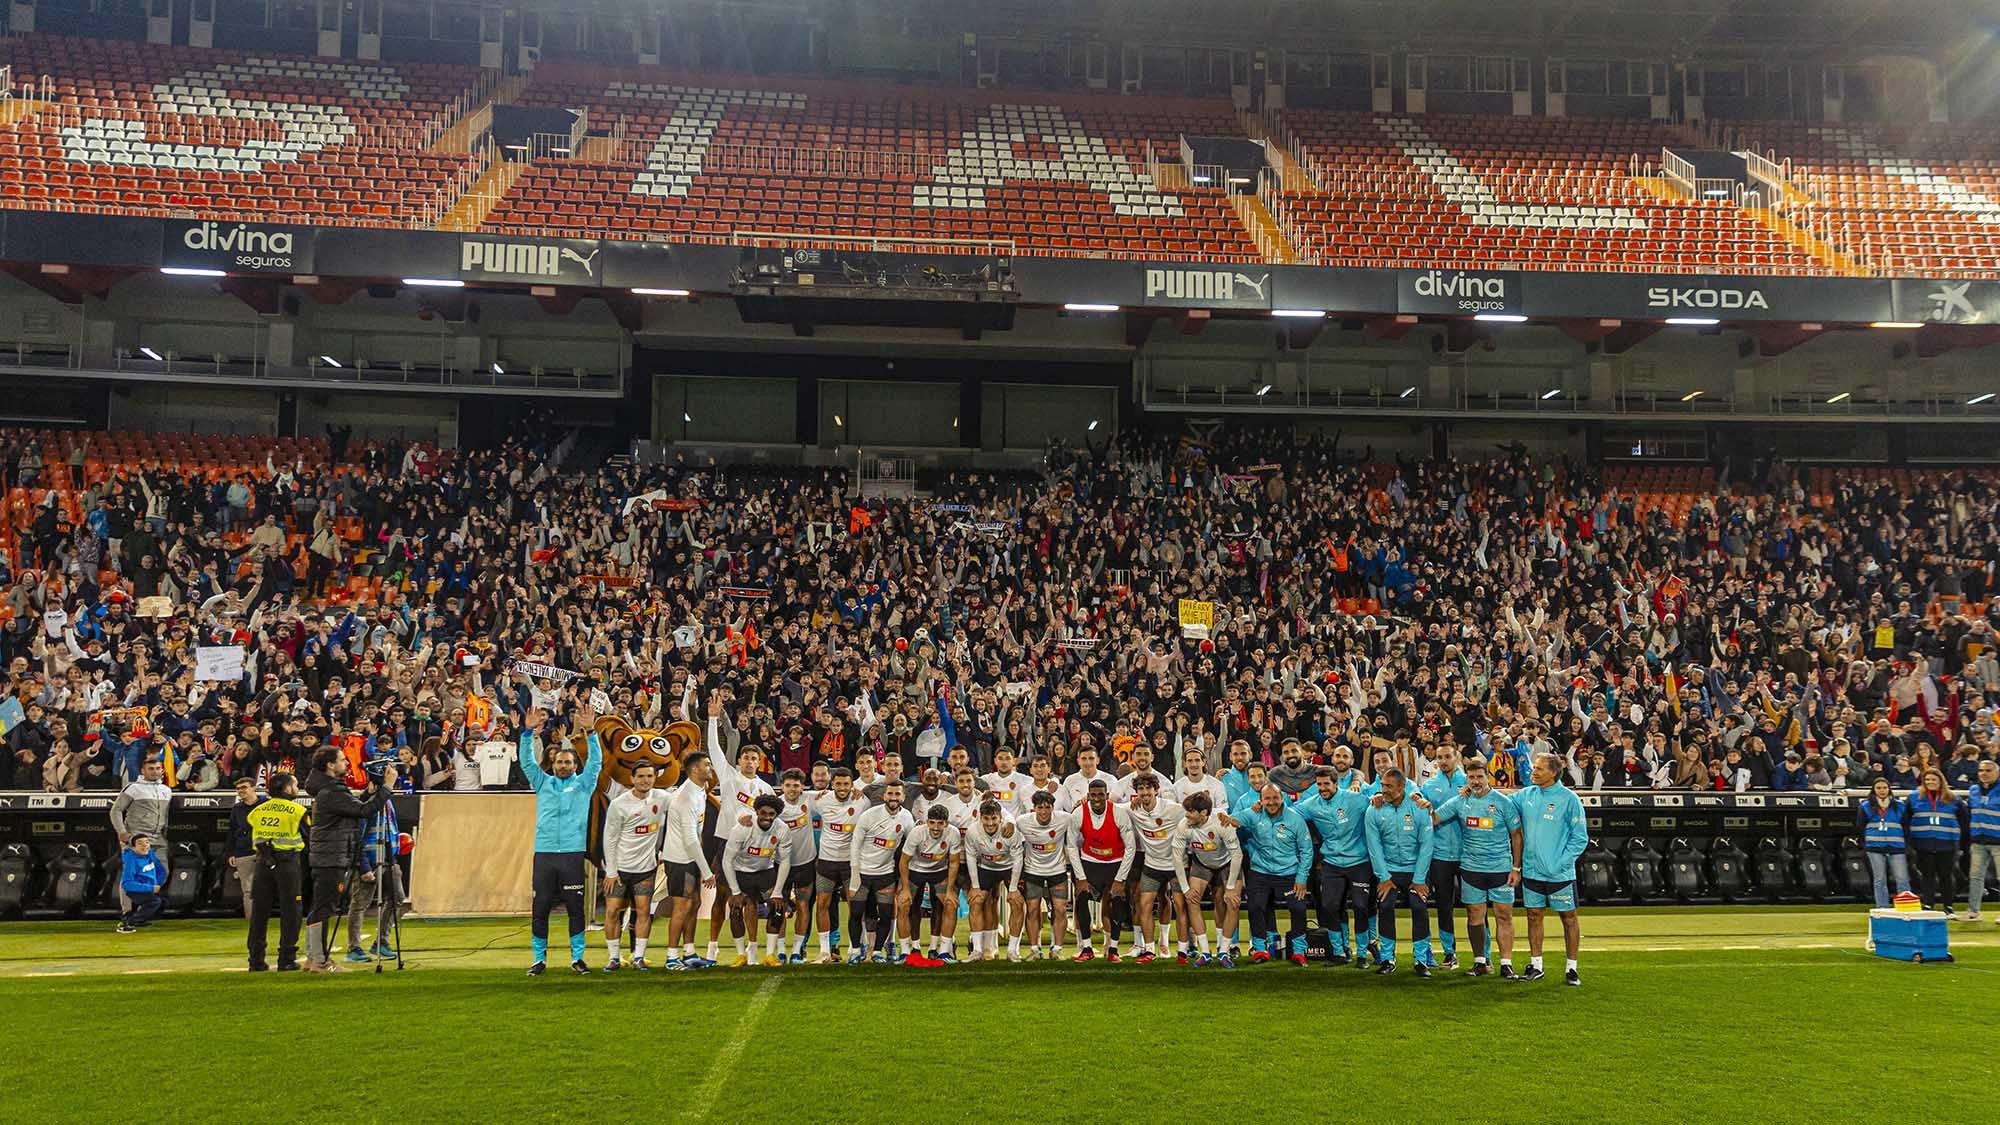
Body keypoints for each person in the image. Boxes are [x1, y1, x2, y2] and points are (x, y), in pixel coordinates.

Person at [519, 706, 602, 976]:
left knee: (575, 908)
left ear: (575, 766)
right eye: (559, 762)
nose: (563, 766)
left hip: (572, 854)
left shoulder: (584, 784)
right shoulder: (542, 783)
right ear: (553, 765)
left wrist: (591, 733)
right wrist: (527, 733)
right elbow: (527, 763)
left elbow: (597, 763)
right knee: (540, 906)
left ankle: (577, 958)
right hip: (544, 854)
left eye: (568, 762)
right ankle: (538, 960)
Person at [1432, 757, 1524, 977]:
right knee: (1475, 915)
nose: (1475, 781)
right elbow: (1433, 818)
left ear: (1487, 777)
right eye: (1471, 777)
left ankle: (1506, 963)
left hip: (1500, 868)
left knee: (1504, 915)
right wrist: (1416, 802)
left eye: (1479, 776)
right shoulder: (1460, 801)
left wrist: (1516, 868)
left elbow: (1517, 835)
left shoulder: (1503, 802)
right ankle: (1480, 961)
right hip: (1472, 868)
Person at [302, 747, 391, 973]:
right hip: (332, 855)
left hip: (328, 854)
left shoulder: (328, 790)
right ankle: (320, 961)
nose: (346, 763)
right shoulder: (332, 791)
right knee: (325, 907)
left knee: (320, 906)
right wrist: (387, 787)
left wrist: (366, 795)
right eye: (342, 760)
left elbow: (351, 809)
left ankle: (313, 957)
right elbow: (364, 812)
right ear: (330, 765)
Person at [1513, 752, 1588, 986]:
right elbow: (1500, 803)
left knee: (1568, 917)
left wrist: (1560, 863)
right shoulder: (1525, 795)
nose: (1532, 772)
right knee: (1534, 916)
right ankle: (1536, 966)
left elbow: (1580, 838)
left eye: (1538, 769)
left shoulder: (1569, 799)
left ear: (1553, 773)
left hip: (1560, 873)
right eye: (1533, 768)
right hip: (1532, 871)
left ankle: (1572, 968)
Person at [1296, 765, 1376, 967]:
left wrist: (1379, 798)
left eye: (1326, 784)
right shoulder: (1311, 804)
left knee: (1360, 907)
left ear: (1335, 783)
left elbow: (1376, 803)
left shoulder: (1355, 799)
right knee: (1330, 906)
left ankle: (1362, 955)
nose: (1322, 788)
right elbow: (1289, 813)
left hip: (1359, 862)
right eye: (1319, 784)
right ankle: (1340, 952)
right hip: (1332, 863)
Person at [1364, 769, 1436, 977]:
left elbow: (1426, 845)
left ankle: (1421, 960)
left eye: (1389, 786)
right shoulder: (1374, 810)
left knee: (1418, 906)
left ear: (1402, 788)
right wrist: (1384, 878)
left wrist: (1420, 879)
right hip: (1389, 872)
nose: (1384, 790)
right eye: (1382, 786)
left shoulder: (1419, 808)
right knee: (1385, 906)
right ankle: (1387, 958)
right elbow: (1374, 847)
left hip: (1416, 871)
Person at [600, 760, 666, 971]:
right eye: (641, 776)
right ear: (632, 779)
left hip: (646, 869)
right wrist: (610, 871)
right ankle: (613, 958)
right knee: (612, 912)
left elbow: (686, 805)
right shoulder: (619, 804)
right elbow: (609, 839)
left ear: (655, 778)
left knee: (644, 912)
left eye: (649, 776)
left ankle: (638, 957)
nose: (645, 780)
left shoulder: (663, 798)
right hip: (619, 870)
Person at [1237, 783, 1313, 965]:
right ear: (1261, 801)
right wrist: (1246, 827)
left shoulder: (1295, 819)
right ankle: (1261, 949)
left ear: (1282, 798)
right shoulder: (1253, 814)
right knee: (1256, 906)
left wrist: (1301, 879)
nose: (1271, 802)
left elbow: (1307, 850)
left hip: (1289, 873)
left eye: (1275, 798)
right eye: (1267, 798)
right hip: (1260, 871)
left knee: (1298, 908)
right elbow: (1231, 820)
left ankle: (1299, 951)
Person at [659, 751, 717, 970]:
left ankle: (689, 952)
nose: (710, 768)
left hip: (689, 859)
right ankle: (671, 957)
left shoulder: (699, 791)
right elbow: (690, 839)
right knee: (681, 907)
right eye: (707, 765)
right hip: (680, 859)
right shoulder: (686, 797)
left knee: (695, 904)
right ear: (695, 769)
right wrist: (707, 870)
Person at [1067, 778, 1136, 962]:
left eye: (1100, 795)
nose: (1097, 799)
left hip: (1115, 862)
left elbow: (1131, 847)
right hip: (1090, 862)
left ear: (1106, 795)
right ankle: (1087, 948)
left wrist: (1120, 879)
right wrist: (1081, 877)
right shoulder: (1078, 814)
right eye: (1093, 795)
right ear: (1088, 796)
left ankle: (1113, 949)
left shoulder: (1119, 813)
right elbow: (1072, 847)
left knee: (1117, 900)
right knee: (1081, 897)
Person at [721, 794, 793, 967]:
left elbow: (784, 861)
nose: (767, 817)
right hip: (740, 871)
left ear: (776, 815)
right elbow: (727, 861)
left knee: (777, 908)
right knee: (736, 909)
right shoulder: (742, 828)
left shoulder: (782, 829)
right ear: (756, 812)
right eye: (763, 813)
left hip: (764, 872)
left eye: (771, 814)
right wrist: (735, 891)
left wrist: (777, 892)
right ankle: (742, 955)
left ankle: (769, 955)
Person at [245, 772, 308, 972]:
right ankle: (286, 958)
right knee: (291, 911)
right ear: (287, 788)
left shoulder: (258, 810)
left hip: (263, 862)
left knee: (259, 912)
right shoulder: (297, 810)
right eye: (295, 784)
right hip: (287, 863)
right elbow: (308, 839)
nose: (297, 788)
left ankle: (256, 959)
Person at [344, 760, 405, 965]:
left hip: (389, 857)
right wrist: (363, 866)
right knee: (360, 903)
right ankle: (354, 947)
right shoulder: (364, 805)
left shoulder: (387, 802)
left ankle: (381, 941)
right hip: (370, 860)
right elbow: (356, 837)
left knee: (397, 898)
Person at [847, 780, 915, 963]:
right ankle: (855, 951)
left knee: (885, 914)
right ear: (883, 796)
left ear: (903, 797)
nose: (894, 798)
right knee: (856, 913)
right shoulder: (868, 816)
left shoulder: (907, 817)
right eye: (890, 794)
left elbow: (912, 845)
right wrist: (854, 876)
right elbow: (855, 845)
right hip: (862, 872)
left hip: (885, 874)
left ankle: (877, 951)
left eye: (897, 794)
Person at [1125, 774, 1187, 964]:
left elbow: (1198, 810)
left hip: (1177, 865)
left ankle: (1182, 951)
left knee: (1181, 906)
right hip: (1151, 865)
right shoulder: (1131, 809)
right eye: (1141, 789)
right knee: (1144, 904)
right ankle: (1149, 950)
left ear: (1156, 790)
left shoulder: (1173, 809)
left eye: (1148, 788)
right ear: (1136, 792)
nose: (1145, 793)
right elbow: (1108, 807)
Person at [1175, 791, 1241, 967]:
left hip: (1227, 864)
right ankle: (1205, 953)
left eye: (1190, 811)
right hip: (1202, 863)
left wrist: (1231, 887)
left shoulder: (1222, 824)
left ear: (1203, 813)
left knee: (1233, 902)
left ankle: (1224, 952)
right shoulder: (1184, 826)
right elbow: (1177, 858)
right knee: (1192, 901)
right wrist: (1185, 889)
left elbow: (1237, 855)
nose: (1186, 815)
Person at [811, 766, 870, 963]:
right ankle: (825, 951)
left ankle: (857, 947)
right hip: (826, 862)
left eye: (846, 784)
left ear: (852, 784)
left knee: (856, 906)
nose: (842, 787)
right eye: (838, 784)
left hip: (851, 864)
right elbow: (796, 799)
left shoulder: (862, 801)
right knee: (822, 904)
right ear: (832, 784)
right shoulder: (821, 800)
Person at [1417, 744, 1469, 969]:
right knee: (1443, 905)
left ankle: (1482, 955)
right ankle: (1450, 953)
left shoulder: (1470, 781)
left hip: (1468, 853)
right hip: (1439, 854)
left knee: (1475, 906)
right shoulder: (1428, 786)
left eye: (1448, 756)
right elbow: (1424, 815)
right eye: (1440, 757)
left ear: (1456, 757)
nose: (1444, 760)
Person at [1015, 789, 1075, 959]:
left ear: (1053, 808)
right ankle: (1034, 949)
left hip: (1058, 870)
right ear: (1033, 808)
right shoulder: (1022, 822)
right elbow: (1009, 825)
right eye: (1040, 807)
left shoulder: (1065, 819)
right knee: (1032, 910)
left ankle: (1057, 949)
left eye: (1047, 807)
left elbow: (1079, 821)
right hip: (1032, 871)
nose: (1043, 811)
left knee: (1060, 910)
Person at [898, 805, 962, 965]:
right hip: (915, 871)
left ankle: (942, 951)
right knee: (903, 904)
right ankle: (907, 951)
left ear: (946, 823)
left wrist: (950, 890)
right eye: (932, 823)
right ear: (927, 822)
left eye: (940, 823)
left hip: (939, 872)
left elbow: (954, 862)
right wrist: (905, 889)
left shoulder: (953, 833)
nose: (935, 827)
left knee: (950, 904)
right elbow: (904, 861)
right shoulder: (917, 833)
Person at [963, 800, 1025, 961]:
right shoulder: (972, 831)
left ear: (1000, 818)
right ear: (980, 818)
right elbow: (970, 857)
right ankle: (977, 951)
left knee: (1017, 902)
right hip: (986, 867)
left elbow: (1018, 859)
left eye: (994, 819)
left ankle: (1013, 951)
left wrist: (1012, 888)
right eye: (986, 819)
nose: (990, 823)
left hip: (1009, 866)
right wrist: (975, 886)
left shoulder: (1011, 832)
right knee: (976, 901)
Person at [109, 756, 171, 917]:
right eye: (151, 769)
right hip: (135, 839)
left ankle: (147, 908)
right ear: (143, 771)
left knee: (161, 872)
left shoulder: (166, 790)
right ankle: (127, 912)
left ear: (162, 770)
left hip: (158, 839)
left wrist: (165, 835)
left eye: (158, 768)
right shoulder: (133, 788)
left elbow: (166, 816)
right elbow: (115, 810)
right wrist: (121, 832)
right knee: (131, 875)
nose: (155, 771)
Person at [774, 768, 821, 964]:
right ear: (782, 786)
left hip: (805, 863)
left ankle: (796, 950)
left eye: (796, 785)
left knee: (803, 905)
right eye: (788, 785)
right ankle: (781, 950)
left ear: (802, 786)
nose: (792, 789)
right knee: (779, 907)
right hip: (780, 863)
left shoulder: (810, 799)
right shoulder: (776, 805)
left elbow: (835, 796)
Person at [1907, 768, 1966, 916]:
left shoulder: (1953, 798)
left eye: (1933, 779)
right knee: (1927, 876)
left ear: (1940, 780)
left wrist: (1960, 842)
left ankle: (1948, 906)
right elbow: (1906, 820)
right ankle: (1928, 904)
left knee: (1946, 876)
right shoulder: (1914, 797)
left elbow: (1964, 820)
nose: (1930, 782)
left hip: (1946, 843)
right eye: (1927, 780)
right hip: (1923, 843)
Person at [1857, 777, 1912, 911]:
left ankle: (1905, 908)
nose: (1882, 790)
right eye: (1879, 788)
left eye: (1884, 788)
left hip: (1896, 847)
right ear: (1874, 790)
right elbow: (1860, 826)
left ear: (1889, 789)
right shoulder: (1866, 806)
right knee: (1879, 880)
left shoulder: (1899, 805)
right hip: (1874, 847)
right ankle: (1882, 908)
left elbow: (1905, 826)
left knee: (1902, 879)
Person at [225, 777, 262, 920]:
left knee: (268, 887)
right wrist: (231, 853)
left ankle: (266, 916)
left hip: (264, 851)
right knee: (248, 889)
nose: (241, 791)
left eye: (244, 787)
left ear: (253, 788)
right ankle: (252, 920)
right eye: (238, 788)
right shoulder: (237, 808)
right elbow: (232, 831)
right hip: (243, 852)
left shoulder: (266, 804)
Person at [116, 833, 168, 934]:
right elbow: (126, 884)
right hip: (135, 890)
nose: (145, 845)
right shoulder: (131, 861)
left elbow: (161, 870)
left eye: (147, 842)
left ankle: (140, 919)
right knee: (154, 901)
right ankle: (129, 923)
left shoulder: (150, 854)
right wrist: (150, 888)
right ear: (133, 847)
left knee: (164, 901)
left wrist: (157, 884)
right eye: (140, 843)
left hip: (149, 888)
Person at [1968, 759, 2000, 922]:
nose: (1984, 774)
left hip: (1998, 841)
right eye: (1981, 770)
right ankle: (1973, 911)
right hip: (1978, 840)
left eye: (1988, 770)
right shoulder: (1973, 789)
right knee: (1975, 876)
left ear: (1997, 772)